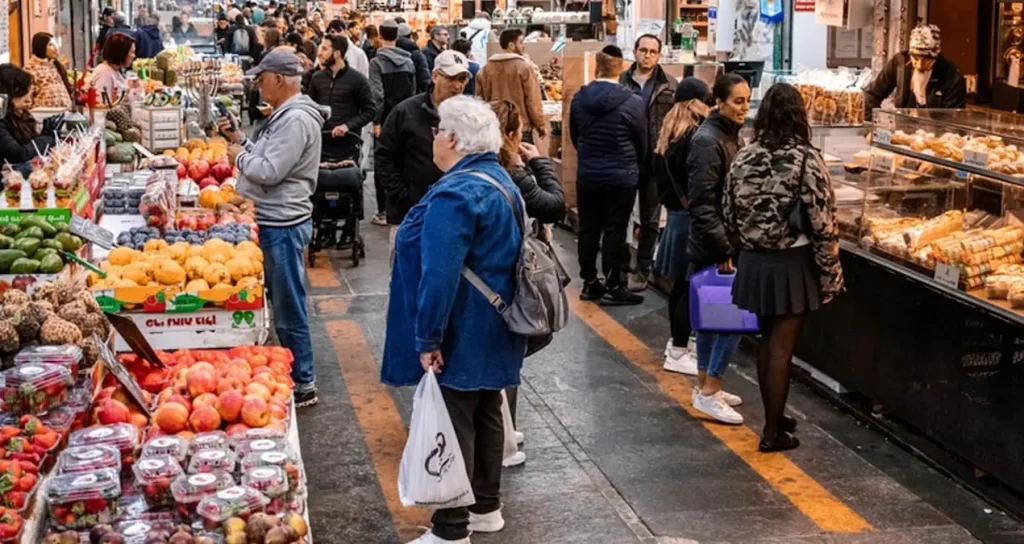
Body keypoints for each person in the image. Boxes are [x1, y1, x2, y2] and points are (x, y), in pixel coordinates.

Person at [381, 95, 525, 544]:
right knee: (486, 408)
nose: (433, 138)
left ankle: (450, 530)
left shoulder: (456, 194)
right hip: (499, 322)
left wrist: (428, 337)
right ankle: (486, 507)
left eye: (438, 130)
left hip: (463, 323)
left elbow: (440, 274)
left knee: (453, 419)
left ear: (455, 139)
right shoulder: (500, 179)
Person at [723, 82, 843, 452]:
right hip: (791, 263)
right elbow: (823, 223)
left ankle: (775, 414)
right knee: (781, 349)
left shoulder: (745, 155)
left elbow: (727, 211)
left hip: (755, 262)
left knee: (766, 344)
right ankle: (773, 432)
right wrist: (831, 275)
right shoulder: (806, 159)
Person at [217, 48, 327, 408]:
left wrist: (240, 157)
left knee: (288, 305)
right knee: (282, 301)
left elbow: (268, 172)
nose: (259, 86)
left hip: (281, 223)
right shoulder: (284, 116)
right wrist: (242, 140)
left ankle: (304, 381)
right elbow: (269, 159)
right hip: (271, 217)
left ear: (279, 79)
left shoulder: (295, 120)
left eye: (262, 79)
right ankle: (295, 373)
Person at [490, 98, 565, 467]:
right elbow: (553, 205)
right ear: (513, 134)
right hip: (511, 274)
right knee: (510, 351)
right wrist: (541, 163)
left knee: (508, 351)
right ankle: (503, 437)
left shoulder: (477, 170)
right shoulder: (514, 172)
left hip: (489, 275)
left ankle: (507, 427)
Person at [686, 73, 750, 425]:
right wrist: (724, 246)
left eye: (747, 100)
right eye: (738, 101)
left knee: (713, 318)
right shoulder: (709, 141)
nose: (745, 108)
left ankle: (704, 385)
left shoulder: (724, 136)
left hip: (717, 242)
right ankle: (710, 390)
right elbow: (703, 202)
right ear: (719, 101)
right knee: (730, 318)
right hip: (716, 245)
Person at [569, 46, 646, 306]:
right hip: (621, 176)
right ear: (622, 68)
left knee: (588, 227)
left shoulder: (579, 99)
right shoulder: (633, 102)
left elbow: (574, 135)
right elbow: (641, 142)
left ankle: (589, 282)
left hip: (588, 174)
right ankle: (614, 284)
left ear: (595, 68)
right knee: (616, 229)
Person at [375, 50, 470, 251]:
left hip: (454, 213)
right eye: (451, 78)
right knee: (405, 274)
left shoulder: (468, 117)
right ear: (435, 76)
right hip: (410, 215)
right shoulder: (406, 112)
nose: (457, 86)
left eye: (462, 79)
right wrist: (402, 195)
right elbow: (384, 154)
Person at [652, 78, 711, 376]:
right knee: (688, 287)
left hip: (675, 217)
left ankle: (677, 344)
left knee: (680, 286)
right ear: (696, 102)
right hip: (689, 220)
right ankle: (677, 350)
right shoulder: (694, 137)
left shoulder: (669, 133)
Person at [620, 34, 677, 292]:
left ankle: (642, 271)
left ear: (659, 55)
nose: (647, 55)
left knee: (650, 219)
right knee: (619, 217)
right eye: (643, 50)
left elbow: (675, 124)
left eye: (653, 51)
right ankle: (619, 270)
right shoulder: (621, 82)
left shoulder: (669, 85)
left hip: (655, 161)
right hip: (625, 158)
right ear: (634, 51)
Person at [368, 19, 418, 226]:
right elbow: (414, 92)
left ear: (380, 37)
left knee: (383, 162)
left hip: (387, 118)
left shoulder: (376, 63)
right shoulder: (409, 61)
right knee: (405, 161)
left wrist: (376, 121)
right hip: (406, 117)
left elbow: (377, 95)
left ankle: (382, 210)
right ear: (397, 37)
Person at [863, 24, 966, 117]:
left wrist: (921, 96)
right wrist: (872, 123)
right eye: (915, 58)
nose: (920, 65)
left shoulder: (952, 75)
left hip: (935, 134)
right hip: (901, 129)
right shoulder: (900, 62)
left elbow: (953, 120)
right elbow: (872, 94)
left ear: (936, 56)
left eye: (926, 59)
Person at [306, 35, 375, 163]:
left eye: (325, 49)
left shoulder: (358, 80)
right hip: (321, 143)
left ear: (337, 53)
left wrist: (347, 126)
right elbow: (311, 108)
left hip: (348, 144)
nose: (319, 53)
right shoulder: (317, 78)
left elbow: (369, 111)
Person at [476, 29, 546, 144]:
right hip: (520, 128)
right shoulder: (524, 67)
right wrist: (540, 124)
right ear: (511, 45)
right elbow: (533, 99)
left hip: (494, 127)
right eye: (521, 42)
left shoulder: (485, 69)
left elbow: (480, 101)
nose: (524, 46)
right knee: (522, 159)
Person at [0, 65, 60, 166]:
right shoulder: (2, 119)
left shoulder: (19, 115)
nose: (28, 100)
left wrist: (44, 135)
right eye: (22, 93)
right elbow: (19, 155)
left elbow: (28, 145)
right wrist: (46, 139)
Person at [24, 33, 74, 110]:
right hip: (42, 117)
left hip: (64, 114)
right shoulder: (30, 69)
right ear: (41, 47)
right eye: (50, 45)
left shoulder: (55, 65)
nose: (55, 48)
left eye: (55, 44)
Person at [90, 33, 135, 100]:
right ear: (122, 53)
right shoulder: (105, 75)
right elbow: (102, 105)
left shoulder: (114, 70)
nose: (134, 56)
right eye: (132, 52)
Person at [397, 23, 431, 92]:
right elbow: (424, 78)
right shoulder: (416, 53)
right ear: (410, 36)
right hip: (415, 96)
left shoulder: (390, 52)